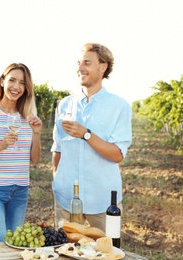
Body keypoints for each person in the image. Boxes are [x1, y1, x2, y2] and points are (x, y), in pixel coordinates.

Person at [51, 43, 132, 231]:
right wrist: (57, 181)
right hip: (66, 199)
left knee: (108, 252)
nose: (80, 68)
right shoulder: (64, 105)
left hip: (103, 200)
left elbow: (117, 154)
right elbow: (58, 149)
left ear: (103, 67)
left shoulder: (119, 106)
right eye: (78, 63)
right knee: (63, 252)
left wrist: (86, 134)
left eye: (87, 63)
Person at [0, 63, 42, 242]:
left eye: (22, 83)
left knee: (15, 243)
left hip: (20, 190)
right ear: (2, 81)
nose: (16, 87)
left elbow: (35, 159)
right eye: (12, 80)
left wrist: (36, 134)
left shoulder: (28, 115)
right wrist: (0, 145)